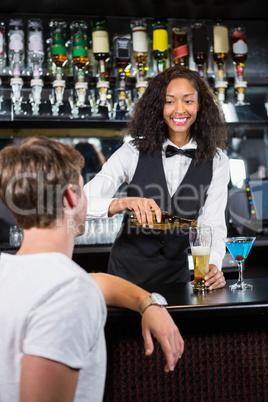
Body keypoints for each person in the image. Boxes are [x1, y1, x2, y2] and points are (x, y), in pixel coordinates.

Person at [0, 137, 184, 402]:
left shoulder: (11, 272)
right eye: (84, 190)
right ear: (71, 197)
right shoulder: (71, 293)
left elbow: (97, 283)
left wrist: (148, 303)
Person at [84, 66, 229, 289]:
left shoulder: (218, 160)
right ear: (157, 106)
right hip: (125, 278)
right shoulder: (132, 152)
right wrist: (124, 202)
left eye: (188, 101)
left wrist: (213, 265)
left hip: (177, 280)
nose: (179, 110)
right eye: (169, 101)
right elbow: (81, 205)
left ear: (200, 105)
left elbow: (213, 224)